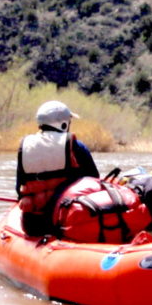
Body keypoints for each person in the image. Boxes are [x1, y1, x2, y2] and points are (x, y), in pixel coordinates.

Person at [16, 99, 98, 236]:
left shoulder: (25, 146)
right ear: (64, 124)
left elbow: (19, 188)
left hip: (33, 224)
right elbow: (94, 181)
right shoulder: (76, 146)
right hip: (67, 222)